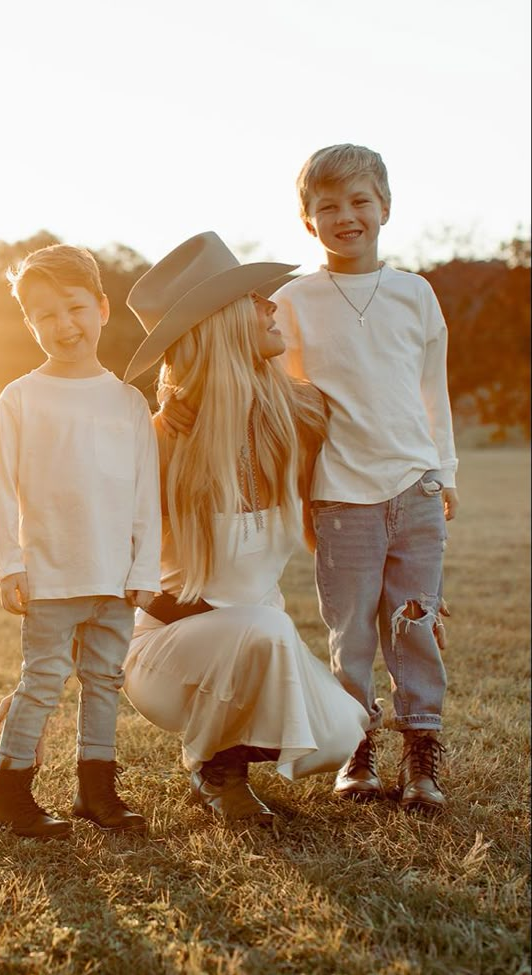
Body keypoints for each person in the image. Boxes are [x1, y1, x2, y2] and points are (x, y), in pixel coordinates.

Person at [121, 231, 369, 826]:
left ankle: (232, 739)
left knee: (344, 732)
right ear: (223, 322)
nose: (270, 305)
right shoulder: (159, 439)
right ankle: (216, 767)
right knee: (264, 626)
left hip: (263, 643)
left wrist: (417, 593)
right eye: (254, 298)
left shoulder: (302, 415)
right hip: (168, 652)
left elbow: (346, 517)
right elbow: (110, 562)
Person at [269, 143, 459, 812]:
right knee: (350, 633)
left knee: (415, 625)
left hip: (416, 490)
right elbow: (285, 405)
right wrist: (300, 493)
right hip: (340, 497)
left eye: (359, 201)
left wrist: (447, 472)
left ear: (384, 206)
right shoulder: (290, 301)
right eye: (328, 206)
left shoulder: (415, 293)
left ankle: (422, 755)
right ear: (307, 218)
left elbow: (432, 391)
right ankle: (357, 751)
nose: (346, 215)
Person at [0, 243, 161, 839]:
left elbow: (144, 497)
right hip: (51, 573)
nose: (64, 325)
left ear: (102, 308)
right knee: (42, 681)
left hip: (114, 575)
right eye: (46, 315)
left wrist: (144, 570)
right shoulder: (20, 398)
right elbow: (1, 490)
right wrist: (10, 565)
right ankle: (8, 792)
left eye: (75, 308)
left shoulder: (129, 402)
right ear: (30, 323)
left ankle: (97, 791)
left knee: (105, 682)